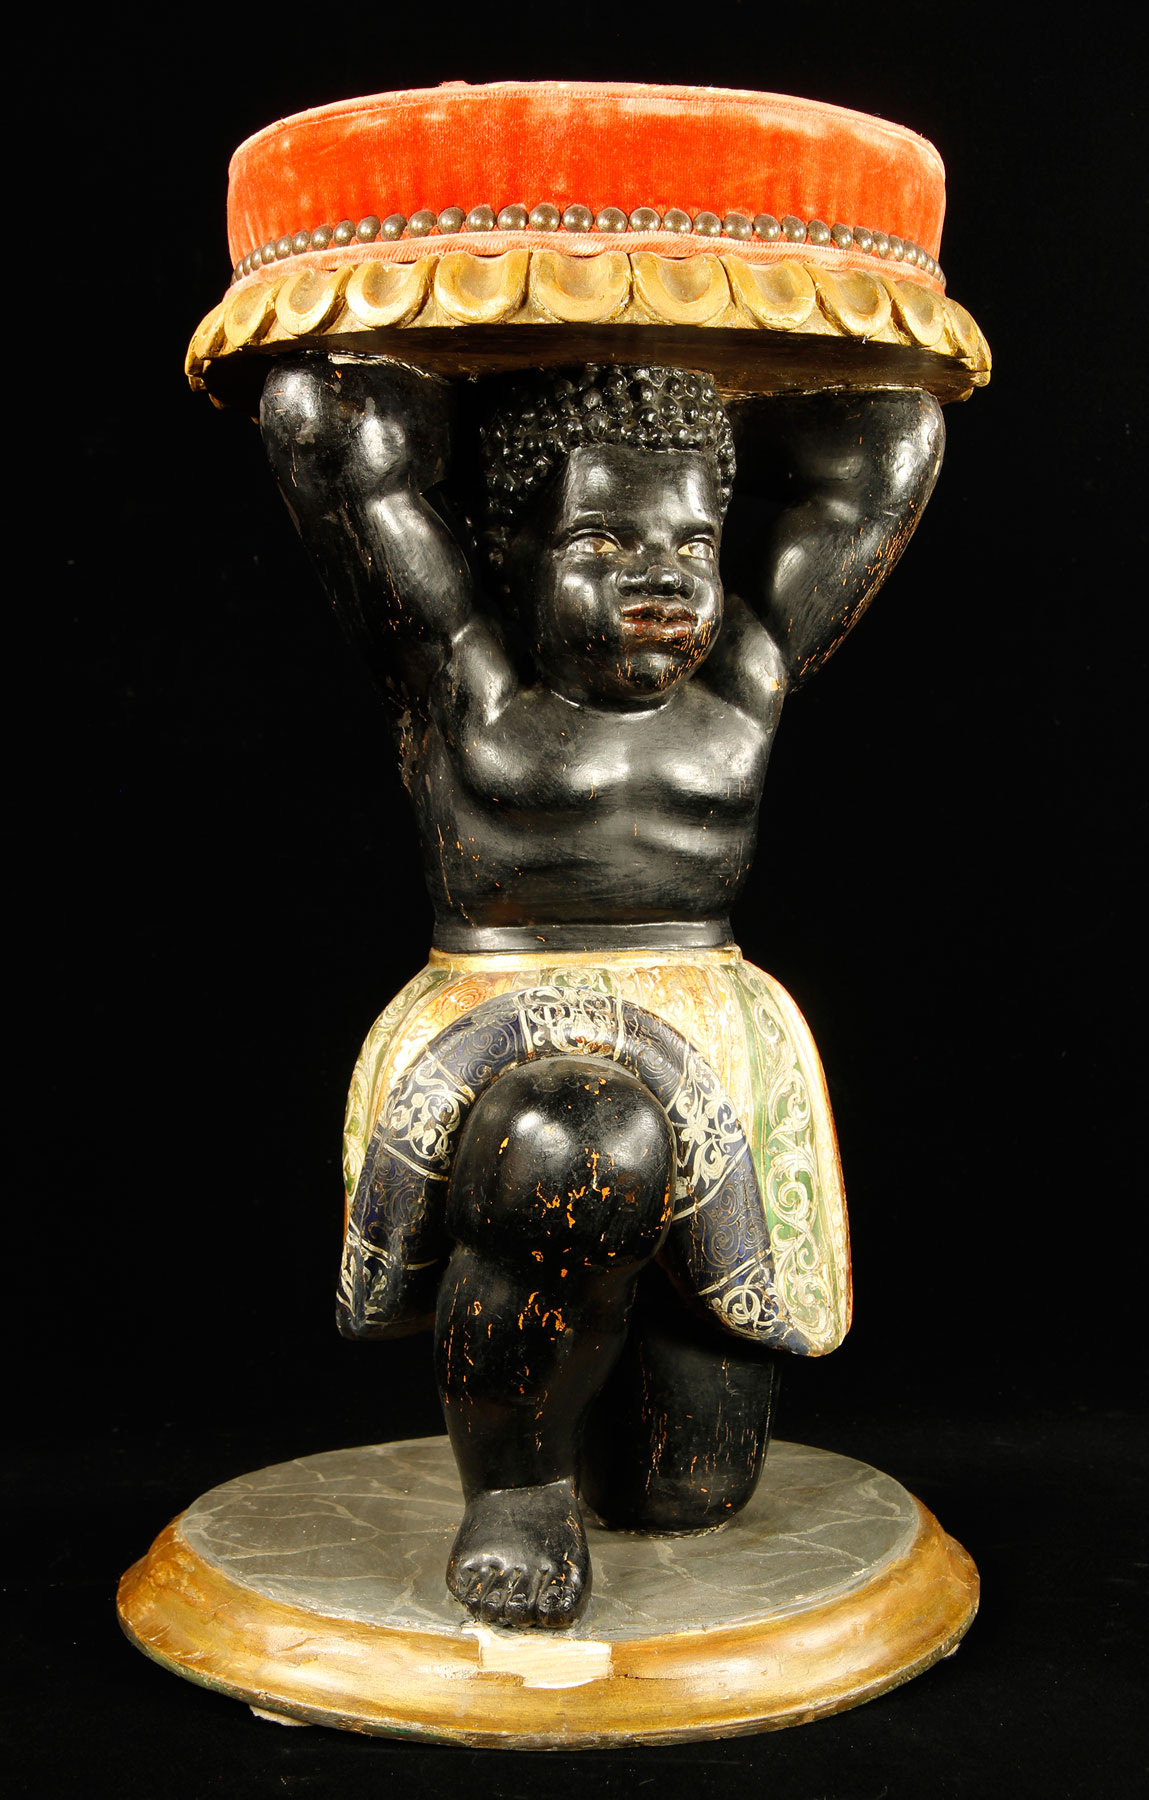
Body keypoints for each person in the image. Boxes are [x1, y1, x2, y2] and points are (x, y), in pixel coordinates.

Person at [260, 357, 944, 1627]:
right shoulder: (464, 677)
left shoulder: (745, 673)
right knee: (579, 1143)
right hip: (508, 1033)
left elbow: (893, 444)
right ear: (506, 553)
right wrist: (492, 372)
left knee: (685, 1494)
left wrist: (700, 378)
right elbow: (322, 428)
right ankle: (516, 1487)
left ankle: (610, 1349)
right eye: (602, 542)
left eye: (692, 543)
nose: (661, 577)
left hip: (707, 1035)